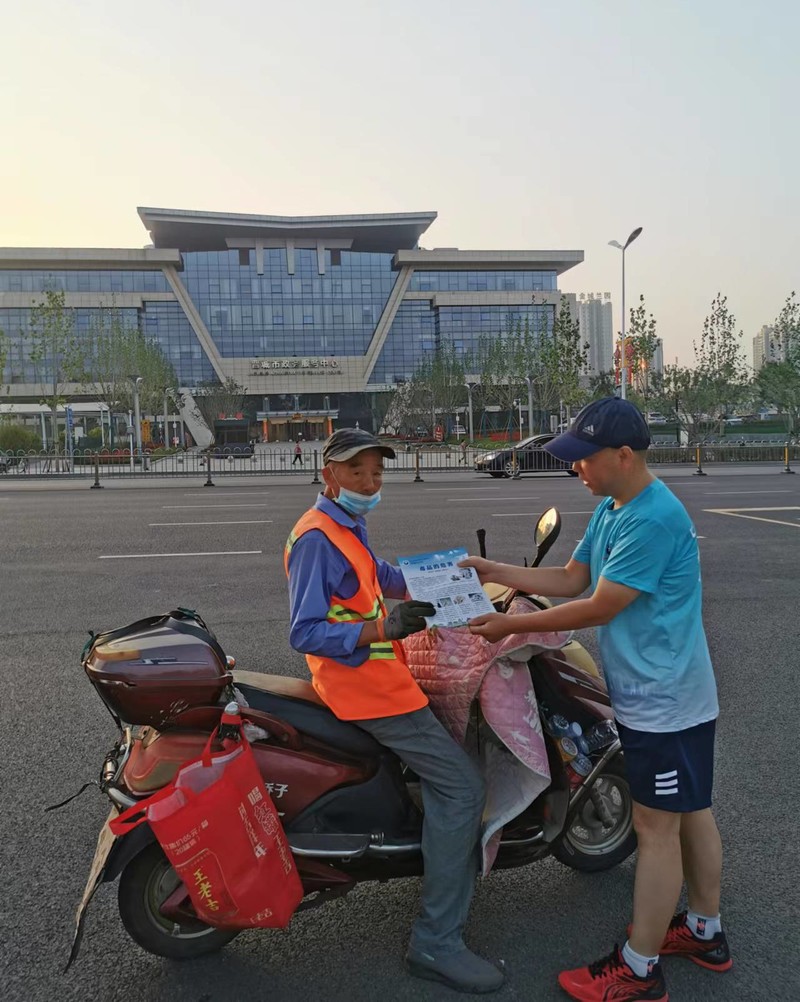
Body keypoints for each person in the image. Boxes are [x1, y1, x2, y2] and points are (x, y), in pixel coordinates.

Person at [461, 397, 730, 1002]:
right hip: (659, 695)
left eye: (584, 458)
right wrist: (492, 569)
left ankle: (639, 970)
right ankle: (704, 931)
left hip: (666, 703)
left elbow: (601, 605)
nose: (574, 468)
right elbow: (571, 579)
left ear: (624, 455)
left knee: (656, 828)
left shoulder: (652, 518)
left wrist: (510, 626)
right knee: (689, 811)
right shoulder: (614, 507)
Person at [284, 428, 502, 994]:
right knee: (464, 789)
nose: (368, 481)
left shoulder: (345, 528)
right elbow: (304, 631)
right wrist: (383, 628)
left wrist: (451, 581)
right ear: (329, 474)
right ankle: (437, 942)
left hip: (379, 679)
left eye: (377, 472)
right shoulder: (317, 538)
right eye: (356, 471)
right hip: (368, 690)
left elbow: (383, 579)